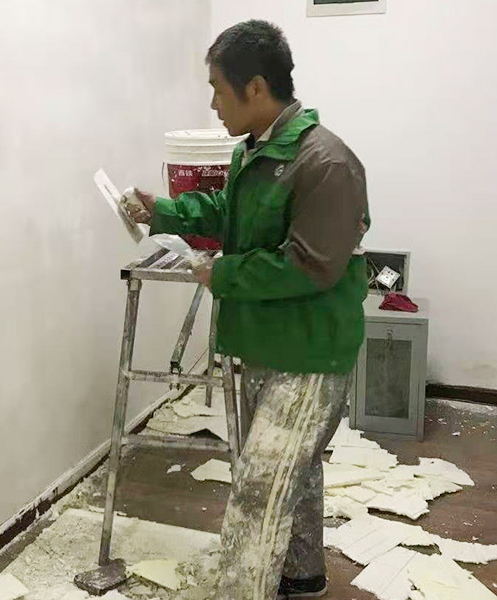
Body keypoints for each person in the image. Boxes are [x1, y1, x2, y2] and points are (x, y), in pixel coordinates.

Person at [127, 20, 370, 600]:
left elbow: (311, 265)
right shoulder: (256, 151)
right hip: (267, 341)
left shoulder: (326, 163)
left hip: (309, 353)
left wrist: (224, 273)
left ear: (255, 87)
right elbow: (228, 212)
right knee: (293, 475)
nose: (213, 104)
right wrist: (162, 211)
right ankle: (302, 576)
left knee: (259, 491)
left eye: (218, 88)